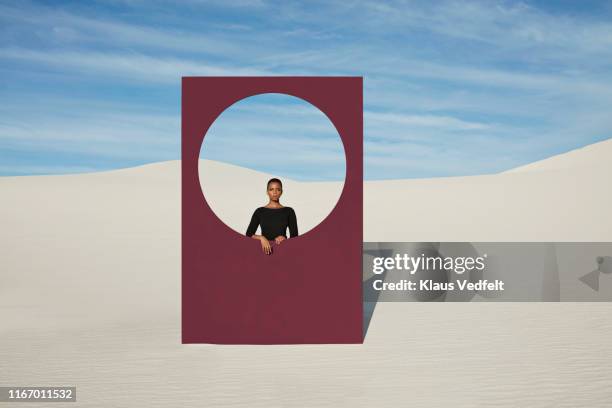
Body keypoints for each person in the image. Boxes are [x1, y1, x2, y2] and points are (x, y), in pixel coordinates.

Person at [246, 178, 298, 255]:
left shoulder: (289, 211)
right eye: (271, 189)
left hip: (283, 251)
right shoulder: (259, 211)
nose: (275, 192)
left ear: (281, 192)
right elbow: (249, 234)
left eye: (278, 189)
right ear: (267, 192)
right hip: (265, 251)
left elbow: (295, 236)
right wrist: (261, 238)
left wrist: (284, 238)